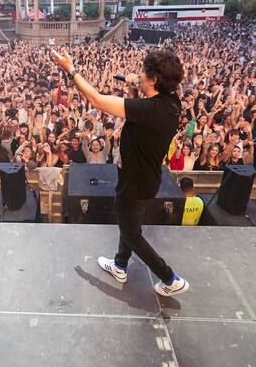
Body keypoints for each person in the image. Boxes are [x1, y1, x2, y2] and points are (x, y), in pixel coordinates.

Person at [53, 47, 189, 297]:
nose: (139, 74)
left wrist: (70, 69)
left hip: (135, 184)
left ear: (153, 79)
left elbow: (96, 100)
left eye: (143, 73)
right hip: (144, 178)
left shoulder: (151, 110)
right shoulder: (171, 102)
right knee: (130, 225)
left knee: (131, 233)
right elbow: (139, 109)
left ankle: (170, 278)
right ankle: (120, 265)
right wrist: (135, 87)